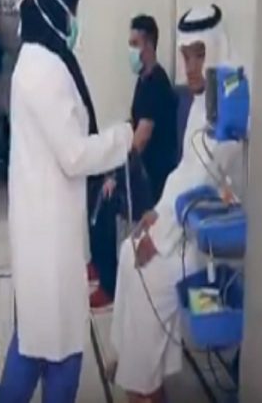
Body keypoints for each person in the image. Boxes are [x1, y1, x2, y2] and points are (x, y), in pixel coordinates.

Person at [0, 0, 133, 403]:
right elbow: (74, 155)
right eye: (73, 9)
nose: (75, 20)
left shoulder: (38, 60)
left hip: (45, 227)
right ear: (56, 8)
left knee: (36, 342)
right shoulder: (44, 70)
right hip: (47, 235)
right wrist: (124, 137)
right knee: (59, 350)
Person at [109, 5, 245, 403]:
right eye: (186, 56)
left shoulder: (229, 109)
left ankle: (144, 385)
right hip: (184, 220)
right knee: (127, 252)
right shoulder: (204, 102)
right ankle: (138, 366)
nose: (190, 67)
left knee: (146, 274)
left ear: (215, 51)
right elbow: (185, 171)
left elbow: (201, 183)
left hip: (208, 238)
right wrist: (155, 214)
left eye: (200, 55)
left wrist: (159, 236)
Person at [89, 15, 180, 309]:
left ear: (149, 46)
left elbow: (140, 140)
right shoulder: (143, 81)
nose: (130, 50)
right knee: (93, 180)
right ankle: (98, 263)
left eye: (134, 43)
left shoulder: (156, 84)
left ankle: (109, 285)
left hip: (153, 176)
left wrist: (115, 173)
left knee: (105, 193)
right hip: (141, 169)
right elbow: (134, 124)